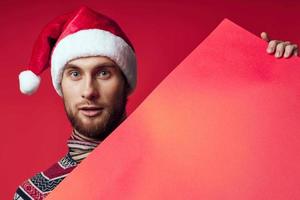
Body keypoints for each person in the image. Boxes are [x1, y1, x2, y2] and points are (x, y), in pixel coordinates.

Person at [13, 6, 298, 200]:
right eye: (75, 74)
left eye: (103, 73)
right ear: (60, 86)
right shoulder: (33, 195)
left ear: (126, 82)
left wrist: (281, 82)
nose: (89, 90)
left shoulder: (189, 157)